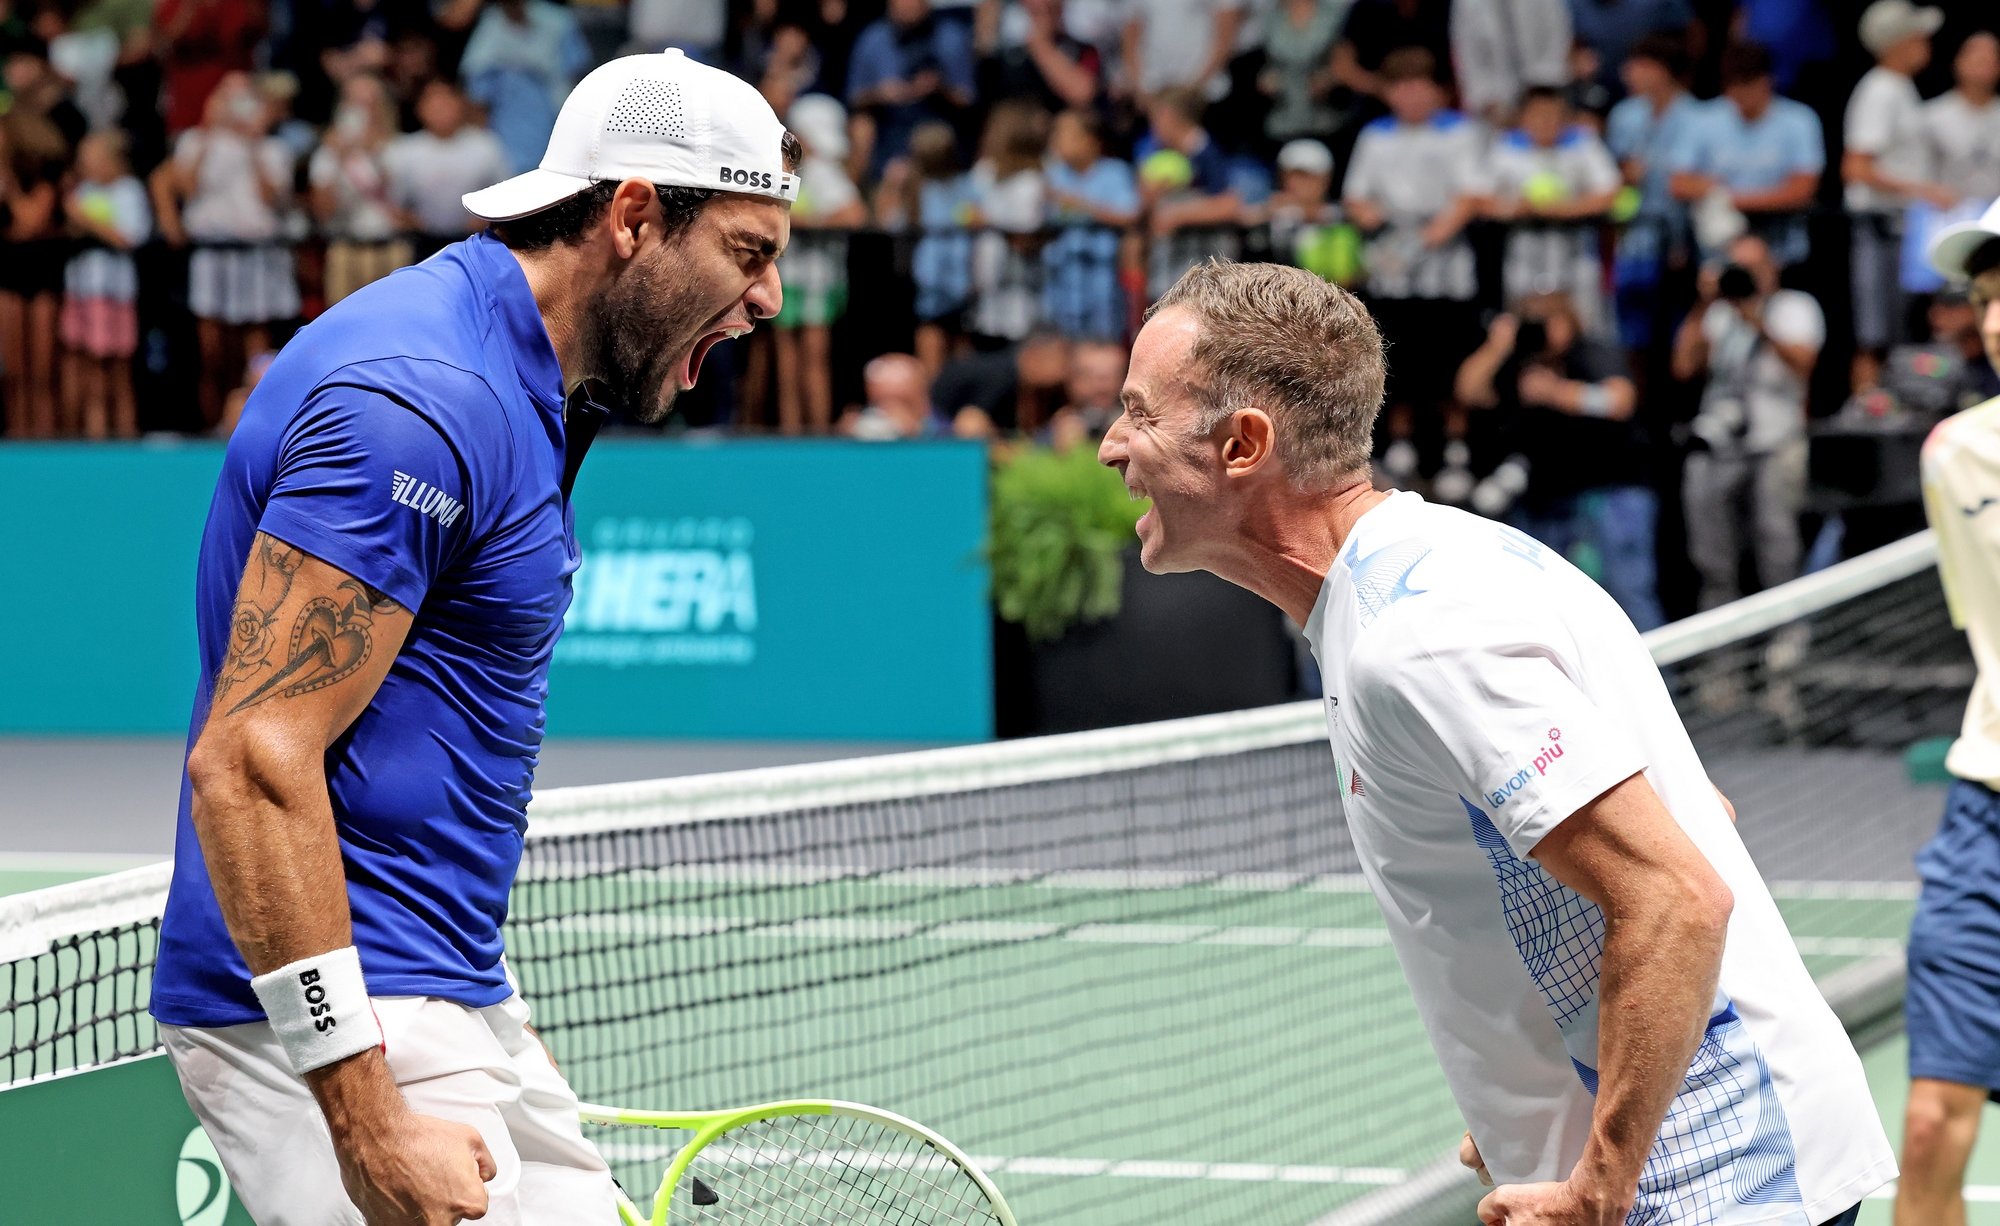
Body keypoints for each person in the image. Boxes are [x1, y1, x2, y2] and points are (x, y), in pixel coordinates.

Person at [1097, 256, 1892, 1226]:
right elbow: (1696, 811)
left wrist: (1600, 1178)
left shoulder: (1418, 639)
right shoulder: (1426, 572)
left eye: (1137, 412)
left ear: (1240, 444)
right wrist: (1528, 1090)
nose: (1108, 444)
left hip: (1710, 1185)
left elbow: (1677, 893)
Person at [148, 50, 799, 1226]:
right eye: (748, 254)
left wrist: (482, 990)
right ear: (636, 217)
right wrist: (363, 1109)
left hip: (438, 975)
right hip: (342, 1002)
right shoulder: (420, 399)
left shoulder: (533, 383)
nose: (770, 300)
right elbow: (248, 761)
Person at [1895, 198, 2000, 1226]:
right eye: (1986, 294)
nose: (1997, 315)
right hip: (1986, 820)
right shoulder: (1954, 455)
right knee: (1927, 1120)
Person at [1454, 291, 1664, 630]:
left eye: (1547, 320)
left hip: (1611, 490)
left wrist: (1556, 392)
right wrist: (1498, 345)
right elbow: (1469, 391)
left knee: (1625, 592)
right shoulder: (1523, 363)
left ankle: (1661, 679)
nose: (1540, 329)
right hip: (1550, 498)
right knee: (1545, 602)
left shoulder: (1592, 351)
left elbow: (1619, 401)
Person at [1340, 45, 1487, 486]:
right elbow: (1357, 197)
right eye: (1401, 86)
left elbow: (1470, 196)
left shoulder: (1460, 133)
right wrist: (1378, 219)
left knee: (1447, 360)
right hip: (1392, 266)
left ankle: (1454, 449)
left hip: (1447, 268)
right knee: (1394, 358)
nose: (1411, 96)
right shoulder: (1375, 136)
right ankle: (1399, 446)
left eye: (1420, 86)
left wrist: (1429, 236)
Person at [1671, 232, 1823, 610]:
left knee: (1777, 548)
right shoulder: (1718, 314)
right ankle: (1723, 657)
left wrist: (1757, 320)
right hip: (1722, 443)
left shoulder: (1794, 307)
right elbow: (1683, 366)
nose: (1747, 275)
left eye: (1754, 267)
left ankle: (1785, 643)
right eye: (1739, 267)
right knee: (1713, 557)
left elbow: (1805, 365)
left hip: (1775, 442)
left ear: (1772, 266)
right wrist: (1704, 304)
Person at [150, 70, 301, 431]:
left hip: (257, 251)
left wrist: (253, 143)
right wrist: (206, 131)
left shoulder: (273, 148)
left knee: (257, 344)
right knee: (212, 346)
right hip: (212, 252)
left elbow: (272, 197)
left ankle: (258, 422)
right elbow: (185, 187)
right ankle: (212, 421)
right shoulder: (194, 141)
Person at [1842, 0, 1950, 396]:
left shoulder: (1901, 89)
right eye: (1918, 37)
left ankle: (1899, 411)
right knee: (1875, 332)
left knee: (1903, 330)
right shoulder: (1879, 90)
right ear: (1898, 43)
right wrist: (1923, 190)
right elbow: (1856, 167)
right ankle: (1868, 415)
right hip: (1878, 228)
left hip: (1903, 230)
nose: (1926, 45)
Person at [1668, 41, 1822, 269]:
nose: (1739, 94)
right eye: (1732, 86)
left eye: (1747, 85)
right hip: (1717, 250)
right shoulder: (1702, 119)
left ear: (1767, 81)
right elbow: (1678, 183)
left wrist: (1729, 198)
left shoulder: (1799, 120)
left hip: (1782, 247)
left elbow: (1803, 189)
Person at [1485, 85, 1622, 337]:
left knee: (1589, 328)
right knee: (1521, 328)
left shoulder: (1584, 143)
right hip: (1522, 253)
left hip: (1576, 254)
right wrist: (1518, 207)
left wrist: (1561, 208)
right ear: (1523, 117)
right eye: (1538, 115)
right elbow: (1483, 200)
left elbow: (1610, 194)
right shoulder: (1505, 148)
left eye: (1553, 115)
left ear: (1565, 117)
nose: (1546, 122)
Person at [770, 92, 864, 434]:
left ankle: (818, 434)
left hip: (818, 279)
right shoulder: (782, 167)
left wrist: (806, 222)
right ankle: (792, 432)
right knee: (787, 362)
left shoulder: (823, 171)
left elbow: (854, 215)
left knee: (813, 358)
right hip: (786, 275)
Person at [1605, 32, 1703, 363]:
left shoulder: (1698, 117)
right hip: (1635, 240)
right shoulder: (1624, 116)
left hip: (1685, 242)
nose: (1628, 73)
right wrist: (1623, 174)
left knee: (1680, 334)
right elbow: (1612, 178)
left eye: (1639, 65)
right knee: (1633, 334)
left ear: (1662, 69)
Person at [60, 129, 151, 440]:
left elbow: (128, 237)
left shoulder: (129, 191)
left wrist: (86, 220)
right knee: (88, 369)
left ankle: (124, 437)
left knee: (118, 370)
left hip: (115, 294)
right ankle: (92, 436)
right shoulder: (83, 191)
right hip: (83, 291)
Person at [309, 74, 412, 307]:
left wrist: (373, 154)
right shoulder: (329, 152)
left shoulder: (403, 148)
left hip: (392, 250)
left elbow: (409, 205)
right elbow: (322, 211)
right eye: (354, 103)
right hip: (345, 250)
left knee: (393, 319)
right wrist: (338, 160)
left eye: (369, 103)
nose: (363, 112)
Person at [847, 0, 977, 176]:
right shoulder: (873, 38)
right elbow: (854, 97)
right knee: (863, 129)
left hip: (937, 121)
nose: (906, 6)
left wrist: (938, 88)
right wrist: (881, 93)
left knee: (931, 141)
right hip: (889, 123)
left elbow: (968, 100)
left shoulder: (951, 37)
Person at [384, 78, 511, 258]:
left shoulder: (485, 146)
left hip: (475, 242)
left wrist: (484, 219)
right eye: (433, 102)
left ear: (460, 103)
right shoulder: (404, 150)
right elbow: (392, 203)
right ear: (420, 108)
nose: (440, 109)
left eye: (446, 101)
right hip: (421, 243)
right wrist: (411, 221)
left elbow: (504, 195)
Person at [1042, 107, 1138, 342]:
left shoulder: (1115, 172)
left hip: (1103, 282)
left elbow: (1128, 214)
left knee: (1104, 347)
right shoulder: (1053, 175)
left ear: (1091, 141)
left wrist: (1081, 205)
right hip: (1061, 282)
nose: (1056, 141)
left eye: (1064, 134)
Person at [1449, 0, 1571, 125]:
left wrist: (1540, 94)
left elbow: (1556, 40)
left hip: (1541, 89)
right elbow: (1467, 54)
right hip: (1494, 101)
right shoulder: (1467, 3)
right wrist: (1487, 99)